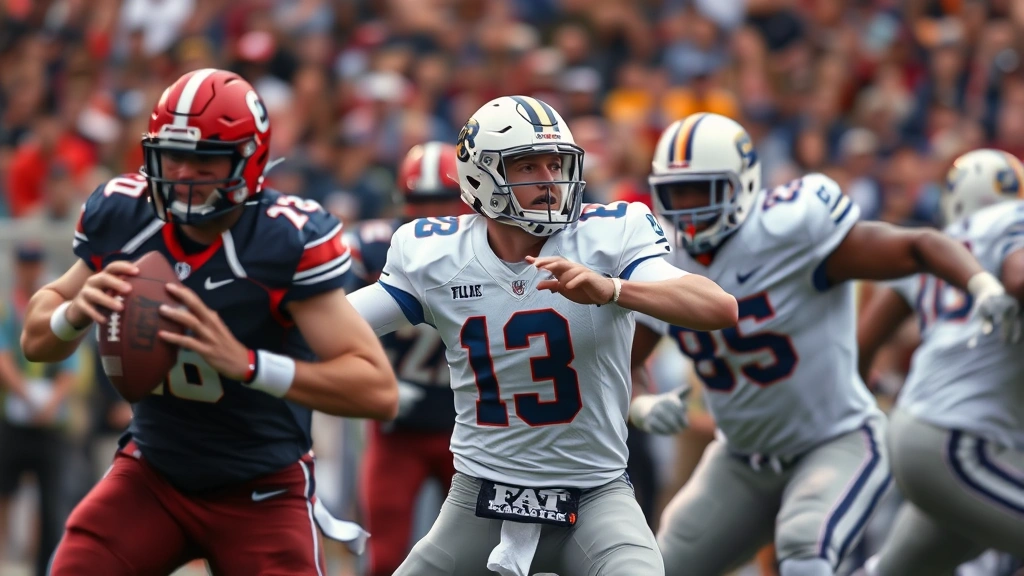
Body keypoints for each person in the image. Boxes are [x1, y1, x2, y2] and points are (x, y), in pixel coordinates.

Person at [19, 68, 397, 576]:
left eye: (204, 160)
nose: (181, 173)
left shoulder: (283, 240)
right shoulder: (124, 215)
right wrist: (73, 312)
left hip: (262, 488)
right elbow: (36, 340)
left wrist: (248, 364)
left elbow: (376, 390)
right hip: (153, 475)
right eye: (171, 155)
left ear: (250, 160)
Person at [347, 95, 738, 576]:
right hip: (479, 497)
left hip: (594, 496)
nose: (551, 181)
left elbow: (718, 306)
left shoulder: (609, 236)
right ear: (481, 175)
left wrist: (614, 289)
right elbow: (341, 323)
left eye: (556, 164)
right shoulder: (434, 252)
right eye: (528, 166)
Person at [626, 113, 1020, 576]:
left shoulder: (791, 229)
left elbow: (918, 245)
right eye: (677, 193)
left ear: (743, 184)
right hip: (741, 457)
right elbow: (624, 364)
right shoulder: (665, 262)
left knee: (804, 550)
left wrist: (979, 283)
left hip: (835, 440)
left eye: (704, 191)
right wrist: (643, 404)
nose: (689, 208)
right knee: (661, 566)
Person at [857, 149, 1024, 576]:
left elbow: (861, 343)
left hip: (921, 435)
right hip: (961, 440)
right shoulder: (1011, 221)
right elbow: (1019, 277)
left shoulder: (936, 246)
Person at [347, 141, 465, 576]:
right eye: (421, 202)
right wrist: (373, 380)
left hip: (473, 432)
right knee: (385, 559)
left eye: (445, 201)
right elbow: (332, 323)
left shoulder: (495, 248)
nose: (433, 214)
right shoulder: (374, 249)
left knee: (486, 559)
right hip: (399, 428)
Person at [0, 244, 81, 576]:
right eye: (24, 266)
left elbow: (70, 364)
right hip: (14, 416)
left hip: (50, 420)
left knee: (49, 499)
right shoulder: (8, 309)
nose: (29, 272)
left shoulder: (57, 306)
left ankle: (43, 563)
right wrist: (26, 395)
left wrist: (49, 403)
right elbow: (4, 357)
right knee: (5, 490)